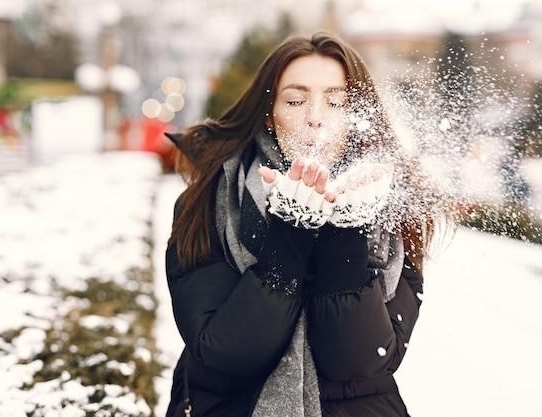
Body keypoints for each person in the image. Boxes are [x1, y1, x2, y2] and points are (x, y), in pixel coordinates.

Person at [165, 31, 440, 417]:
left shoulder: (393, 209)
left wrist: (347, 230)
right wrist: (290, 229)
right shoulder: (211, 199)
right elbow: (227, 351)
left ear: (357, 117)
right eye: (295, 100)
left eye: (336, 101)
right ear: (270, 114)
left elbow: (359, 363)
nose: (315, 118)